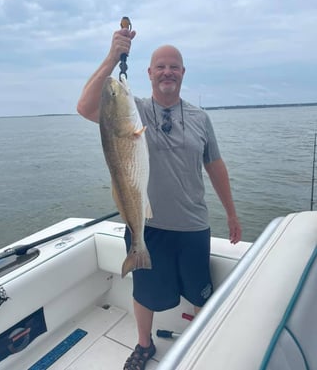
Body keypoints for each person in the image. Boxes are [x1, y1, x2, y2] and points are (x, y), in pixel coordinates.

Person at [77, 27, 242, 370]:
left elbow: (215, 165)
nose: (167, 72)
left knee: (200, 294)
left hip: (193, 226)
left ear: (183, 73)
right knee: (144, 294)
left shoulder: (200, 118)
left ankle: (200, 346)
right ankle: (143, 344)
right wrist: (112, 56)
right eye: (160, 67)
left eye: (174, 66)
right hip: (147, 225)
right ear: (148, 74)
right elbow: (85, 106)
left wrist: (232, 213)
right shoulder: (131, 111)